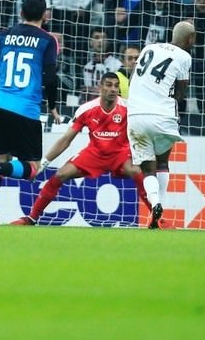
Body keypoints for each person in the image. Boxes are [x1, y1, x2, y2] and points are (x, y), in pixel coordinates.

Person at [0, 0, 62, 226]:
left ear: (21, 13)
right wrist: (54, 106)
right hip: (25, 110)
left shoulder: (3, 35)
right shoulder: (47, 40)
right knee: (31, 169)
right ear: (45, 16)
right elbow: (50, 78)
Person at [12, 72, 147, 226]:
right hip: (94, 154)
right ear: (100, 87)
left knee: (136, 171)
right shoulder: (86, 109)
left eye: (116, 86)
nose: (113, 89)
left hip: (120, 154)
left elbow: (142, 131)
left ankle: (158, 219)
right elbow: (66, 140)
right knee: (60, 175)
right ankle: (32, 218)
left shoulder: (128, 108)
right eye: (109, 85)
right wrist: (44, 163)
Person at [126, 20, 196, 229]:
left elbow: (132, 80)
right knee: (163, 163)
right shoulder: (185, 57)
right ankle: (160, 209)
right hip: (162, 115)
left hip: (136, 114)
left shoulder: (149, 47)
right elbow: (181, 93)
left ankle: (154, 204)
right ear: (190, 39)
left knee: (148, 169)